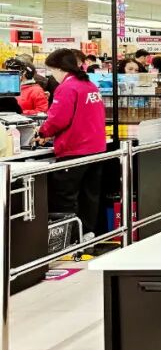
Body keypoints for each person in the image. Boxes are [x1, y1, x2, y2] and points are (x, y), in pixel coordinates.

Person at [35, 49, 107, 237]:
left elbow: (58, 118)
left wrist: (43, 132)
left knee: (65, 198)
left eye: (52, 71)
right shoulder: (89, 85)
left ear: (60, 68)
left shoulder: (67, 87)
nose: (52, 76)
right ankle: (87, 236)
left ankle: (70, 240)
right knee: (89, 196)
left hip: (75, 150)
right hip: (96, 148)